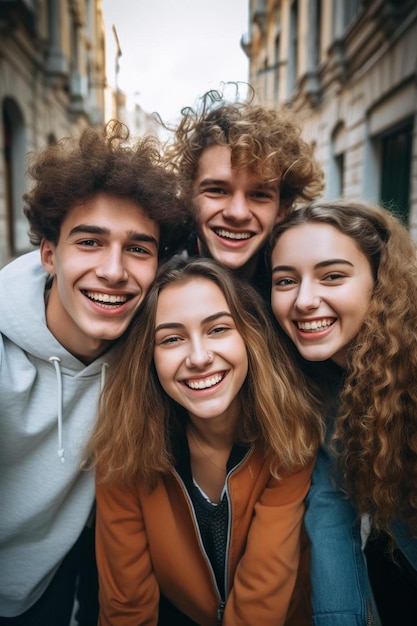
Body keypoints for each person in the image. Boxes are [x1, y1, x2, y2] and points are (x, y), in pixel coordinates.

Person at [0, 120, 190, 625]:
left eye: (138, 248)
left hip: (50, 587)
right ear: (48, 254)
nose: (113, 270)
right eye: (89, 242)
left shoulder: (154, 353)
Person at [85, 256, 323, 626]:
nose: (199, 358)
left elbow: (263, 597)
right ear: (148, 358)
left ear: (250, 337)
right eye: (172, 339)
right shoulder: (123, 455)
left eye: (217, 330)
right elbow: (126, 607)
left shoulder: (290, 438)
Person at [269, 200, 417, 625]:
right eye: (285, 281)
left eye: (332, 276)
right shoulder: (319, 379)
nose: (304, 300)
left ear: (380, 282)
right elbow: (330, 509)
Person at [162, 85, 324, 297]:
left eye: (259, 195)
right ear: (187, 195)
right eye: (217, 191)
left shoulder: (301, 296)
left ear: (282, 209)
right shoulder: (154, 286)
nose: (237, 213)